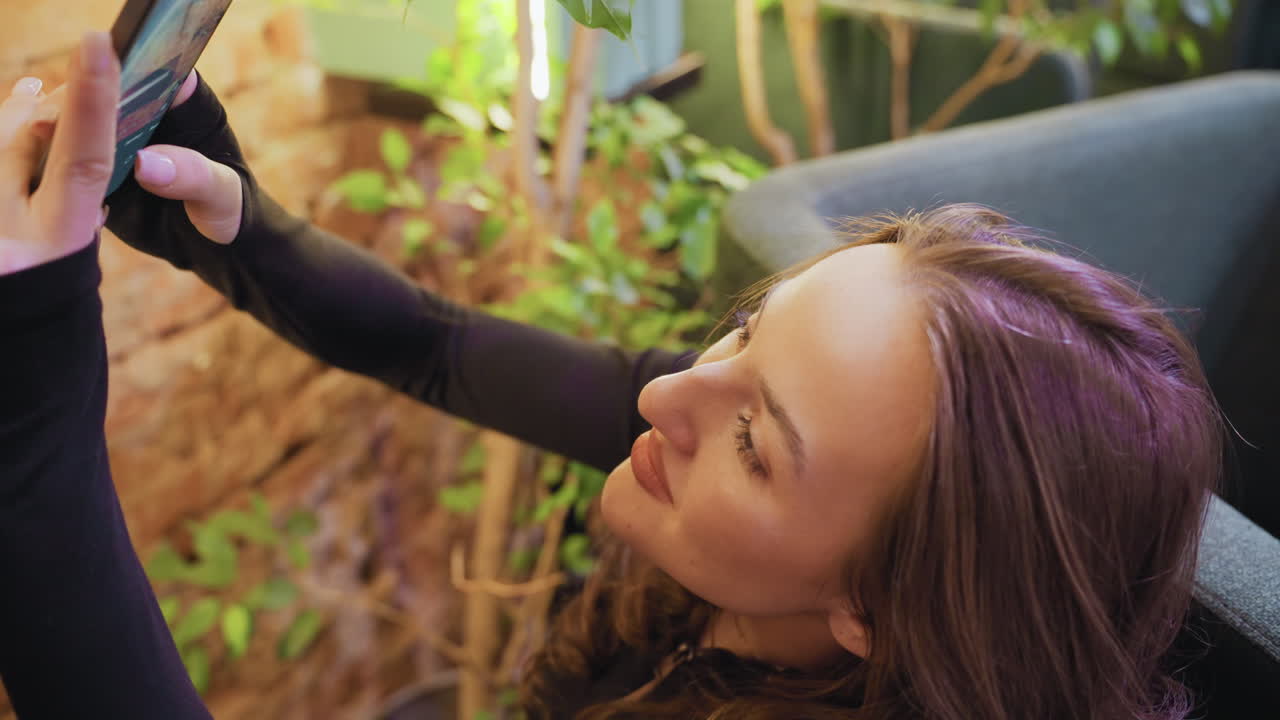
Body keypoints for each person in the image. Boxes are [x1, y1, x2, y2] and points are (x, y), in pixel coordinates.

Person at [0, 35, 1223, 720]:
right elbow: (435, 344)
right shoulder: (758, 501)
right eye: (746, 330)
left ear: (876, 607)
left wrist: (33, 419)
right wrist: (230, 221)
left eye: (753, 440)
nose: (660, 398)